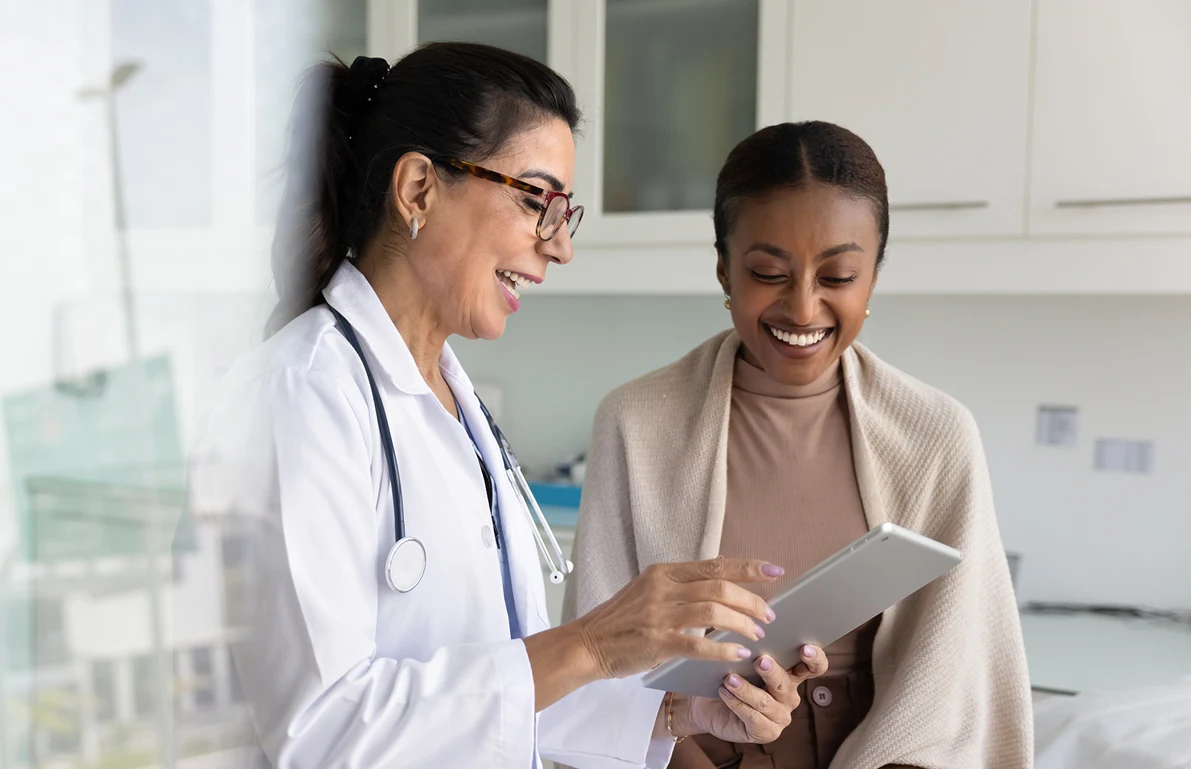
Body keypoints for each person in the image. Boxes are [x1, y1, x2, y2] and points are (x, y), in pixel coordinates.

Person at [189, 44, 831, 769]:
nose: (558, 247)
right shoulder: (298, 394)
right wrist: (591, 642)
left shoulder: (458, 408)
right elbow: (321, 733)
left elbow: (504, 691)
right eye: (534, 201)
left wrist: (685, 709)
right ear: (418, 189)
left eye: (563, 213)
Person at [562, 121, 1034, 769]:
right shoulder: (635, 423)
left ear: (872, 277)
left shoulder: (936, 435)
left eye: (837, 275)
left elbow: (954, 684)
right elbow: (597, 668)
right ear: (724, 270)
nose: (804, 308)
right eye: (767, 272)